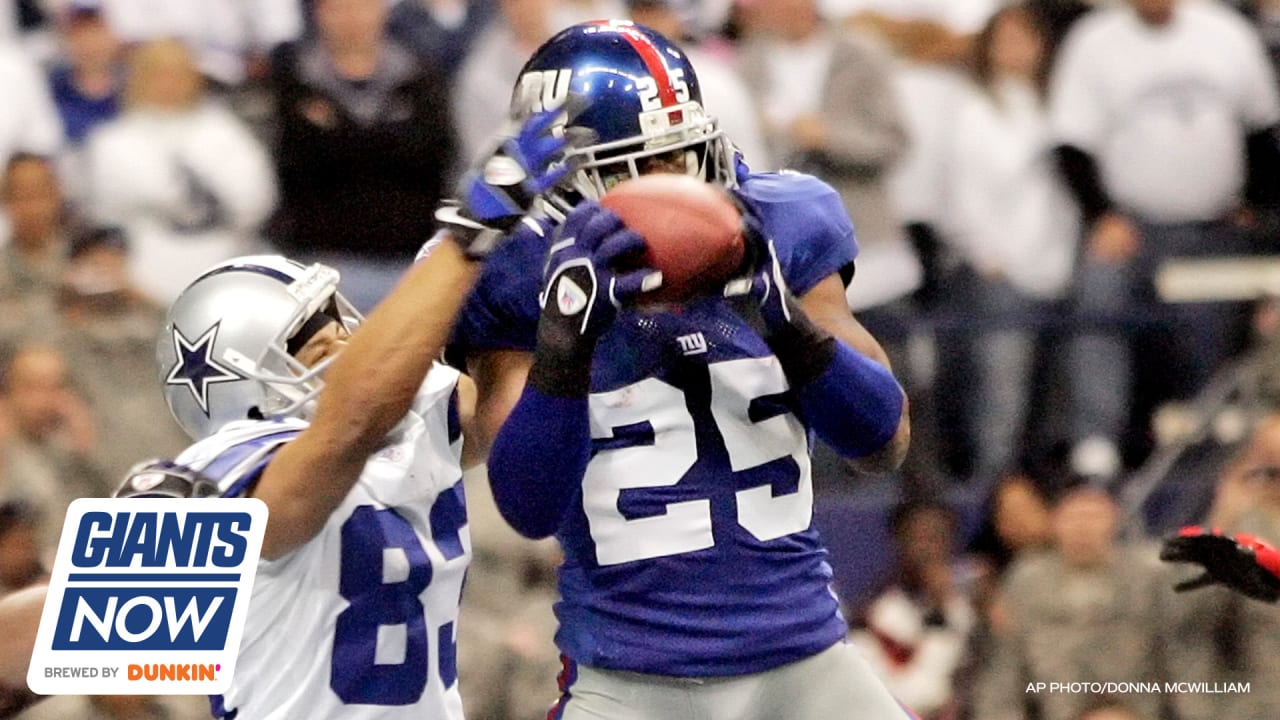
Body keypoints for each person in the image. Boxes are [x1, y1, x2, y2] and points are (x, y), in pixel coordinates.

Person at [447, 20, 913, 720]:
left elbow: (885, 441)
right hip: (631, 677)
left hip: (808, 659)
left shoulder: (780, 225)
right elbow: (527, 506)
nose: (678, 184)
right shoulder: (520, 273)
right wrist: (565, 347)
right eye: (642, 165)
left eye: (684, 154)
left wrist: (785, 323)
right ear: (566, 180)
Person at [144, 97, 578, 718]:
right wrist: (468, 238)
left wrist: (544, 296)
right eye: (323, 348)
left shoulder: (401, 423)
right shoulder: (218, 466)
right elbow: (344, 431)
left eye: (346, 329)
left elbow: (502, 416)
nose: (351, 353)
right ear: (245, 391)